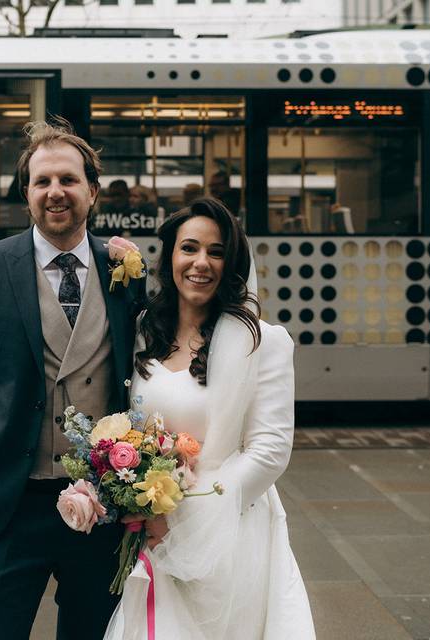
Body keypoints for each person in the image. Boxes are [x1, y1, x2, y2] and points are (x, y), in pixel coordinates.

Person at [0, 118, 146, 640]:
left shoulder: (125, 271)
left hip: (104, 505)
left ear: (92, 191)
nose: (56, 192)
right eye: (42, 181)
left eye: (69, 180)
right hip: (9, 502)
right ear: (27, 194)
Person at [105, 197, 315, 640]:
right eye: (189, 248)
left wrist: (183, 513)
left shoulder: (265, 342)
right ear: (171, 257)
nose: (201, 263)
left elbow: (270, 450)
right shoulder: (145, 329)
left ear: (232, 264)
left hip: (228, 529)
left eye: (216, 252)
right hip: (151, 530)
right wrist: (142, 501)